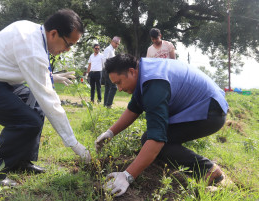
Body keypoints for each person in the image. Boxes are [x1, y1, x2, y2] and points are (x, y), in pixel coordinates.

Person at [0, 9, 91, 186]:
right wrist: (74, 143)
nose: (66, 50)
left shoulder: (29, 28)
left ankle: (20, 161)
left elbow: (14, 64)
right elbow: (50, 102)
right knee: (28, 121)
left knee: (35, 106)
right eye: (68, 44)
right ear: (54, 33)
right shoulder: (33, 49)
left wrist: (50, 76)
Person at [96, 54, 228, 196]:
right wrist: (110, 132)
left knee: (156, 143)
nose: (119, 88)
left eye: (119, 82)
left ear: (131, 72)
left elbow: (156, 140)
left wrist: (127, 175)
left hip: (210, 112)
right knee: (149, 139)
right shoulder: (145, 71)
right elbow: (134, 108)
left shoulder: (154, 85)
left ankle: (209, 171)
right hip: (208, 105)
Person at [103, 36, 120, 108]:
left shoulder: (113, 50)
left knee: (107, 87)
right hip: (107, 70)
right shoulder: (108, 49)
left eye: (118, 44)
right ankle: (109, 104)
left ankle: (105, 104)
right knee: (114, 87)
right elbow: (104, 60)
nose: (117, 45)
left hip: (109, 70)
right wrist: (109, 70)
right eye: (116, 43)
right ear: (112, 42)